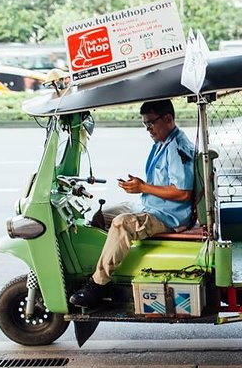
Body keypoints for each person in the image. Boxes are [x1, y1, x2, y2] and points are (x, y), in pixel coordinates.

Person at [70, 99, 195, 307]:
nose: (148, 129)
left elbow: (182, 193)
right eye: (144, 124)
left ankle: (98, 284)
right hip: (151, 205)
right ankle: (107, 269)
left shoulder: (177, 148)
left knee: (121, 223)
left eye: (151, 123)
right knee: (102, 216)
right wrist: (139, 187)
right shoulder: (162, 143)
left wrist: (143, 187)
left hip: (169, 215)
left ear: (168, 119)